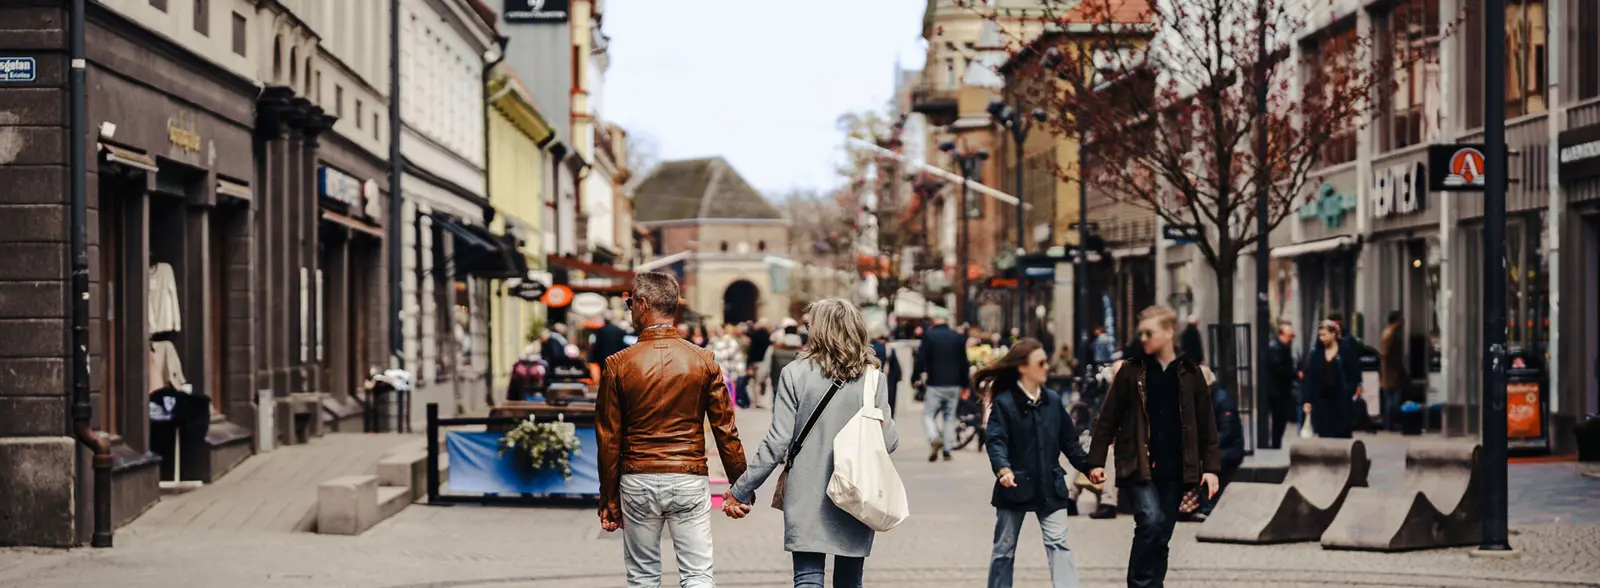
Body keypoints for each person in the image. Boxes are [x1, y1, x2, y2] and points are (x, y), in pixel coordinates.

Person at [723, 299, 898, 588]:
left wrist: (741, 490)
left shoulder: (795, 373)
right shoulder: (873, 379)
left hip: (807, 492)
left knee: (807, 578)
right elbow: (889, 441)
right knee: (850, 580)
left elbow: (777, 442)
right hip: (857, 491)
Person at [595, 272, 746, 588]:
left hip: (637, 477)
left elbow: (609, 437)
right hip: (688, 474)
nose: (630, 309)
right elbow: (725, 429)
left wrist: (608, 497)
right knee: (697, 574)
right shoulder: (703, 360)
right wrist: (741, 486)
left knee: (643, 576)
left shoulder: (618, 364)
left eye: (630, 303)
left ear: (643, 304)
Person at [1087, 305, 1220, 588]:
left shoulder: (1190, 373)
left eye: (1150, 333)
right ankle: (1138, 584)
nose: (1144, 338)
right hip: (1139, 463)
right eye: (1142, 333)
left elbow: (1206, 423)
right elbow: (1107, 418)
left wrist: (1211, 468)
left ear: (1169, 332)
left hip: (1176, 466)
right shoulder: (1131, 371)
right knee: (1150, 521)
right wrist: (1095, 462)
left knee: (1161, 534)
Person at [977, 339, 1094, 588]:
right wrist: (1003, 469)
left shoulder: (1052, 400)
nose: (1046, 367)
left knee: (1058, 543)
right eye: (1040, 363)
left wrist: (1090, 467)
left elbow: (1070, 444)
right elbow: (996, 441)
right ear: (1023, 368)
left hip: (1049, 484)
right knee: (1004, 549)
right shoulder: (1005, 402)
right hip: (1014, 484)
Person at [913, 316, 971, 462]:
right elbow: (964, 362)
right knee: (949, 417)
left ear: (934, 323)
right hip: (954, 384)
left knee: (928, 415)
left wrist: (914, 378)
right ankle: (947, 449)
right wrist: (966, 385)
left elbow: (920, 359)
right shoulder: (957, 337)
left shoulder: (929, 336)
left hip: (935, 383)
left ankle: (934, 438)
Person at [1302, 320, 1362, 439]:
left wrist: (1353, 389)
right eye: (1320, 335)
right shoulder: (1317, 354)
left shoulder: (1345, 351)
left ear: (1333, 334)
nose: (1322, 338)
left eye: (1324, 334)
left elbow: (1354, 372)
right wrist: (1308, 400)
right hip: (1322, 401)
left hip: (1341, 401)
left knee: (1342, 433)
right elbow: (1311, 378)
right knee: (1324, 433)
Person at [1264, 321, 1298, 449]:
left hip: (1281, 390)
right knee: (1279, 419)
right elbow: (1280, 369)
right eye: (1290, 336)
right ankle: (1274, 444)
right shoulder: (1276, 348)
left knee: (1280, 420)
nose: (1291, 339)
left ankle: (1275, 443)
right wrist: (1294, 373)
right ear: (1281, 335)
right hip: (1277, 391)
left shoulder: (1283, 348)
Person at [1379, 311, 1407, 431]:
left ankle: (1389, 423)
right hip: (1391, 373)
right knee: (1392, 400)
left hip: (1391, 372)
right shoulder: (1390, 334)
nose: (1402, 323)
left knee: (1391, 399)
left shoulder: (1390, 333)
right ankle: (1391, 423)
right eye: (1400, 320)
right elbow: (1386, 353)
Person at [870, 329, 902, 418]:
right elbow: (896, 368)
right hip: (889, 381)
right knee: (889, 405)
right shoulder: (889, 348)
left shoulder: (870, 349)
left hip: (873, 381)